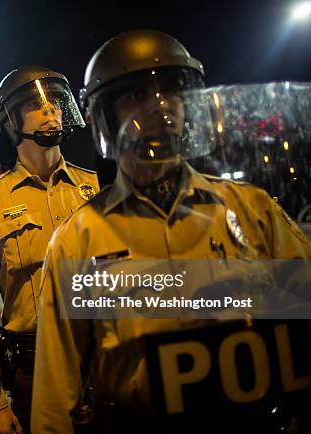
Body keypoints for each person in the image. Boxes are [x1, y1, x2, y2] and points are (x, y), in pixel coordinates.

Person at [32, 30, 311, 433]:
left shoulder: (251, 211)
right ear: (107, 116)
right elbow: (55, 394)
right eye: (135, 97)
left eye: (171, 94)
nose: (159, 109)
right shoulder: (79, 239)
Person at [0, 66, 99, 433]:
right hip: (32, 370)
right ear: (11, 120)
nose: (51, 110)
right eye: (36, 104)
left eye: (55, 102)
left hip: (105, 358)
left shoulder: (99, 189)